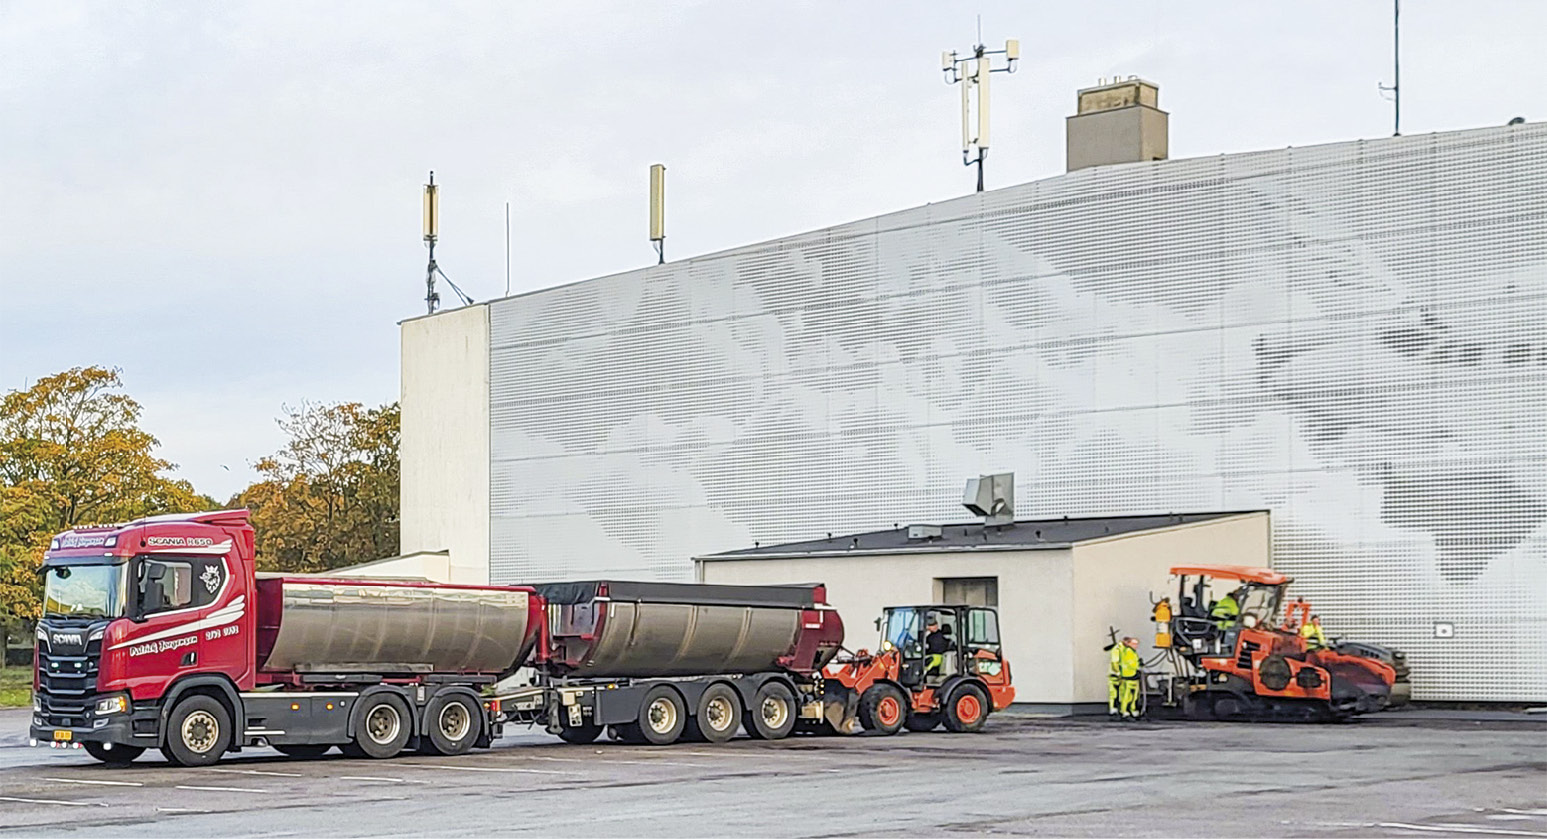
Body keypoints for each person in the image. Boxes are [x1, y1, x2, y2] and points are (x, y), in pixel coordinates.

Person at [1108, 636, 1142, 719]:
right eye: (1134, 643)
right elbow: (1116, 662)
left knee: (1127, 694)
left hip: (1126, 674)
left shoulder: (1126, 650)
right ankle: (1118, 710)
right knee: (1119, 693)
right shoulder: (1121, 649)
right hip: (1123, 675)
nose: (1136, 646)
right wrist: (1118, 672)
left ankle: (1124, 710)